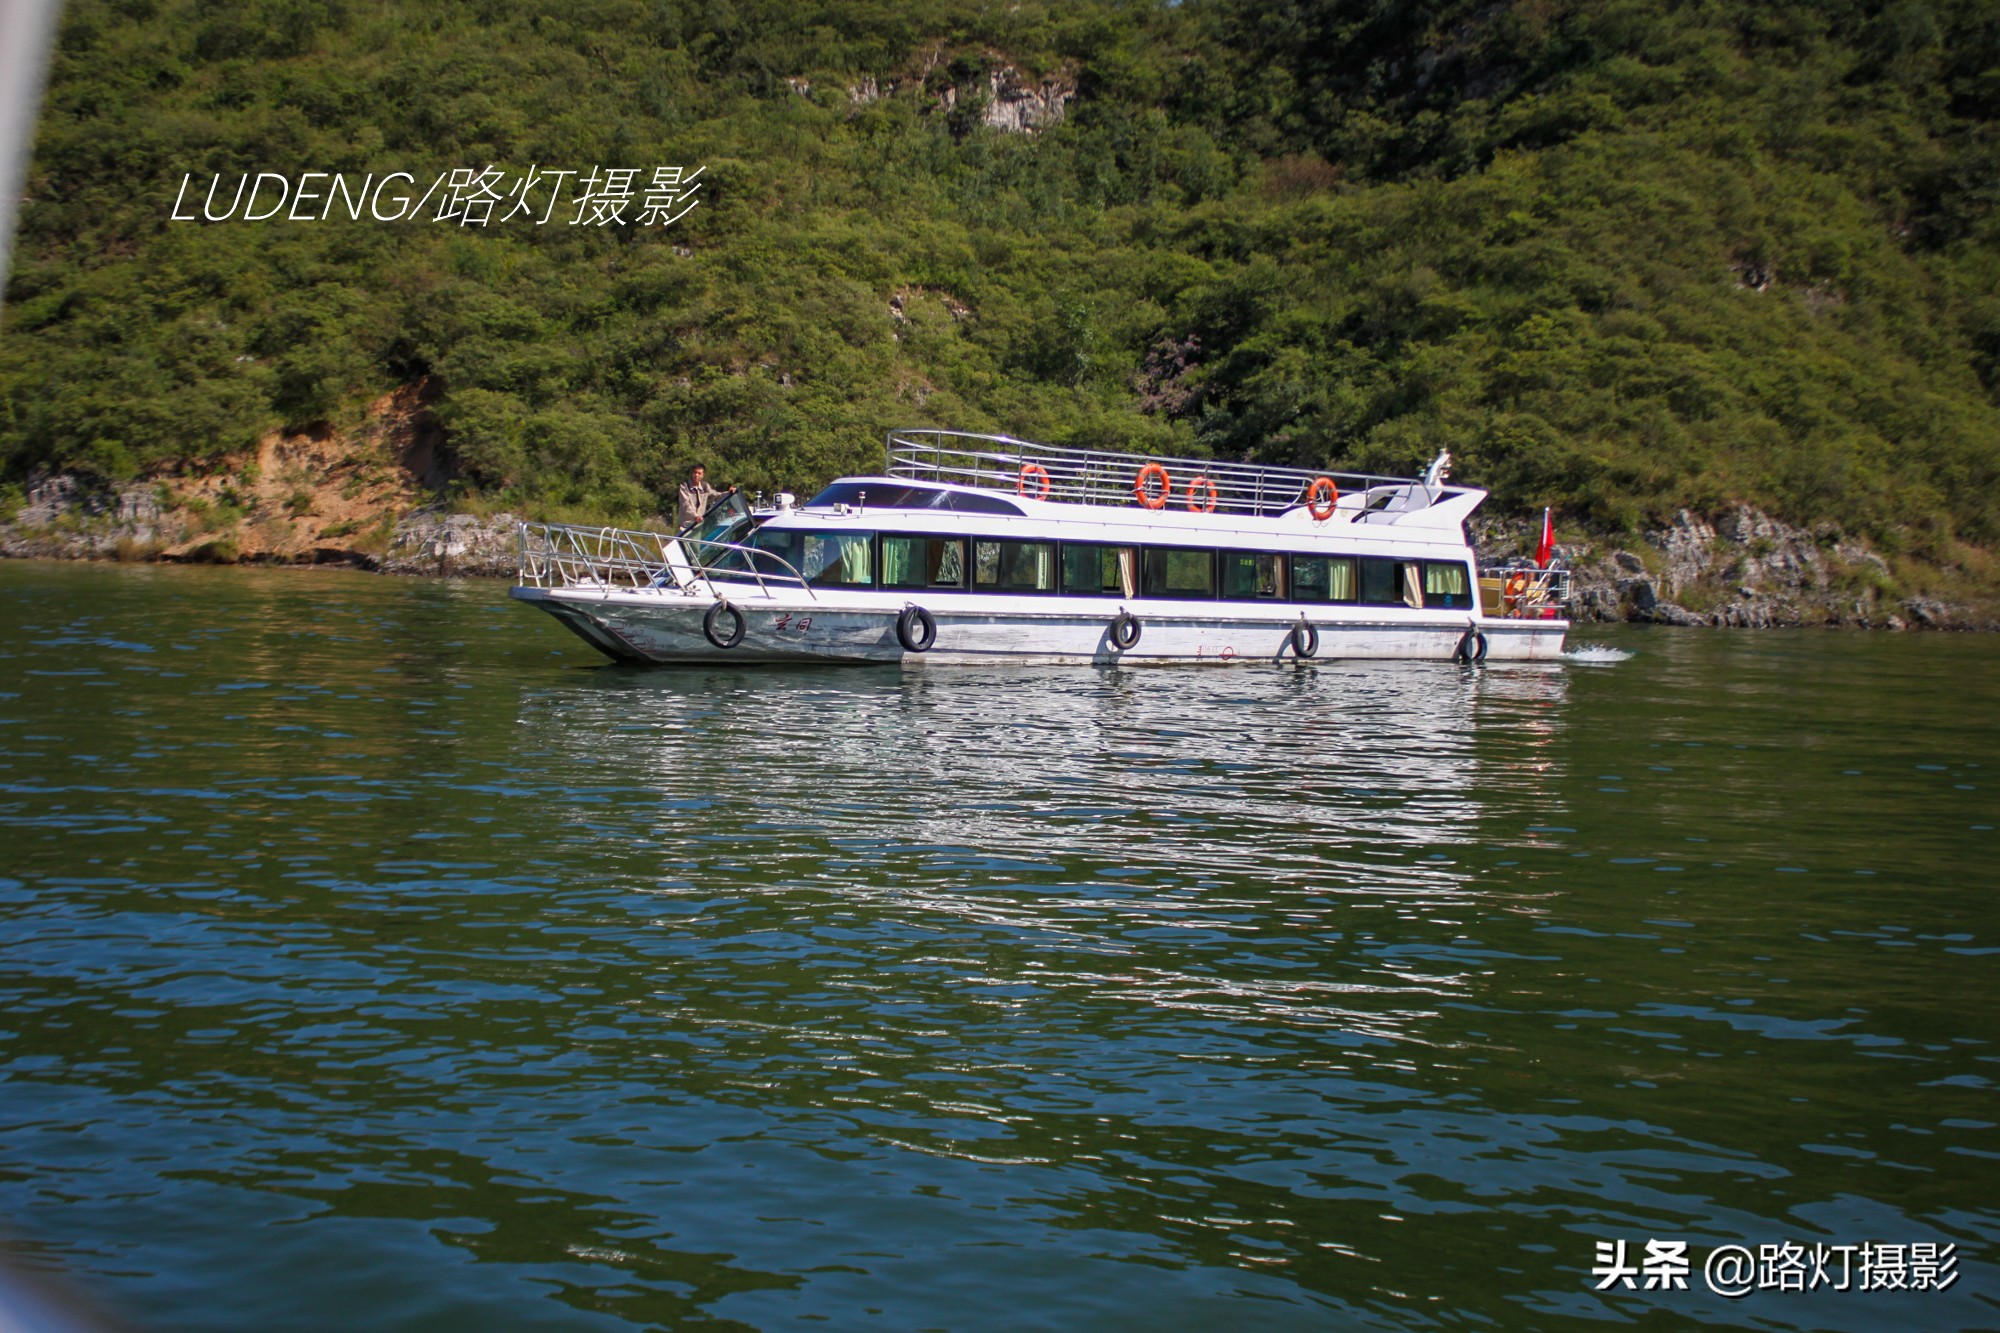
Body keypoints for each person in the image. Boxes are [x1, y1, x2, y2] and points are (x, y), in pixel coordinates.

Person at [676, 465, 736, 533]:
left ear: (703, 475)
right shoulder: (684, 486)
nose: (696, 475)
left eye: (699, 473)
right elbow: (685, 504)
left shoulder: (705, 486)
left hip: (698, 526)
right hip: (685, 526)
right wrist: (695, 516)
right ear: (691, 473)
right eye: (695, 472)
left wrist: (729, 493)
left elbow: (716, 496)